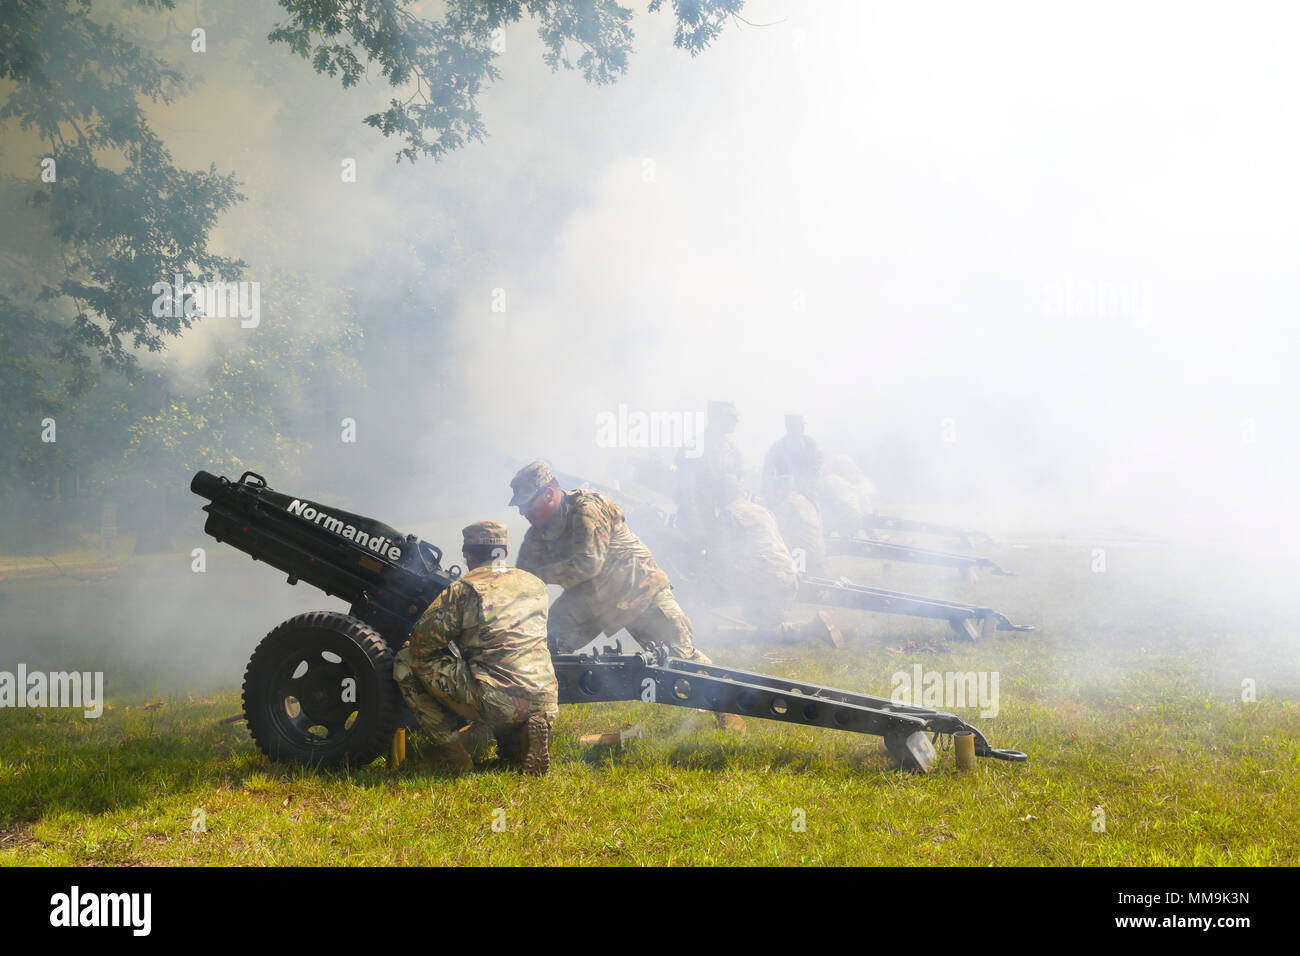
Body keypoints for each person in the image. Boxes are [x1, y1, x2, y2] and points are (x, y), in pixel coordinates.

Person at [509, 459, 744, 731]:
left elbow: (588, 564)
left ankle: (727, 708)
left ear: (549, 494)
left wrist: (540, 573)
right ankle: (522, 718)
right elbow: (522, 578)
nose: (523, 512)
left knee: (678, 660)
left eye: (527, 503)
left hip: (637, 586)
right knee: (543, 646)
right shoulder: (536, 533)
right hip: (592, 597)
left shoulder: (587, 508)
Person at [392, 520, 558, 775]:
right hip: (544, 697)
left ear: (468, 555)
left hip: (496, 699)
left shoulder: (463, 590)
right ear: (503, 552)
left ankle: (455, 756)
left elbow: (423, 644)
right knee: (499, 674)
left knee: (406, 660)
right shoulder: (535, 584)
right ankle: (526, 732)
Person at [712, 476, 842, 647]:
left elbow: (720, 556)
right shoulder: (762, 510)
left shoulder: (730, 515)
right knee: (760, 625)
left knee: (756, 633)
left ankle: (812, 628)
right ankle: (811, 627)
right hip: (788, 579)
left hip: (767, 583)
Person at [674, 399, 743, 540]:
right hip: (696, 523)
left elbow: (737, 491)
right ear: (717, 418)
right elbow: (686, 493)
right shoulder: (693, 448)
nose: (736, 421)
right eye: (731, 417)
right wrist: (697, 528)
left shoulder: (733, 451)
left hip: (723, 525)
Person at [768, 474, 828, 577]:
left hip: (803, 556)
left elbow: (772, 528)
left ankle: (796, 581)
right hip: (819, 553)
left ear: (780, 489)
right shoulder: (804, 500)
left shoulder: (788, 504)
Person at [763, 414, 823, 503]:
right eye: (799, 426)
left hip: (808, 491)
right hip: (784, 495)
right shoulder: (778, 447)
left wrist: (811, 482)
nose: (802, 428)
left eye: (802, 425)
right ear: (789, 427)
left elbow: (818, 464)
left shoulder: (811, 444)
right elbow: (768, 471)